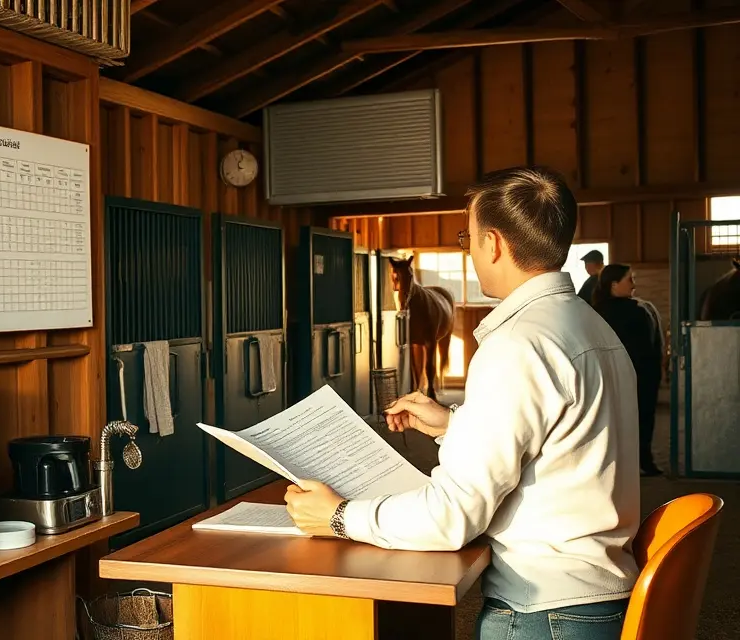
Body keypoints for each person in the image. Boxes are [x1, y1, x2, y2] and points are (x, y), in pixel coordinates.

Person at [284, 166, 640, 640]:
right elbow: (563, 441)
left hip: (544, 615)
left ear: (492, 244)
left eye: (466, 237)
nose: (469, 249)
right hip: (595, 594)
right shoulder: (593, 328)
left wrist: (339, 516)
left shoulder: (518, 343)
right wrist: (456, 425)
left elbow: (453, 517)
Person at [593, 264, 664, 477]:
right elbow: (648, 348)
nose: (634, 285)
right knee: (642, 418)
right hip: (640, 377)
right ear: (614, 285)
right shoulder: (637, 311)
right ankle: (643, 459)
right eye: (629, 280)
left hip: (608, 377)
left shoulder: (596, 313)